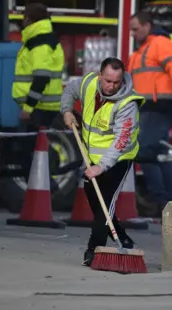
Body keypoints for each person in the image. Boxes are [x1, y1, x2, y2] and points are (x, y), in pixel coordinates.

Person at [60, 57, 145, 267]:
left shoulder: (127, 104)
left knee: (105, 206)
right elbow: (70, 89)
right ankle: (123, 239)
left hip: (117, 161)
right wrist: (67, 110)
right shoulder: (89, 83)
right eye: (107, 81)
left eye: (116, 82)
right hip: (92, 159)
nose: (111, 86)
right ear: (100, 76)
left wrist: (102, 167)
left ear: (122, 80)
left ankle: (93, 250)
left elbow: (120, 142)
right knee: (99, 206)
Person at [128, 11, 172, 215]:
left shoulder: (159, 43)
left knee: (145, 153)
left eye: (135, 29)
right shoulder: (141, 51)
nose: (132, 33)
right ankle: (170, 204)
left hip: (158, 107)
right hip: (148, 108)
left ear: (147, 26)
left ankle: (162, 202)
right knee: (158, 156)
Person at [11, 3, 65, 190]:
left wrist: (28, 107)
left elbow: (41, 77)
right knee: (34, 149)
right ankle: (44, 189)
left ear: (29, 19)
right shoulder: (44, 40)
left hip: (38, 108)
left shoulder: (40, 43)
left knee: (28, 152)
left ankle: (45, 189)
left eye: (24, 17)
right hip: (43, 107)